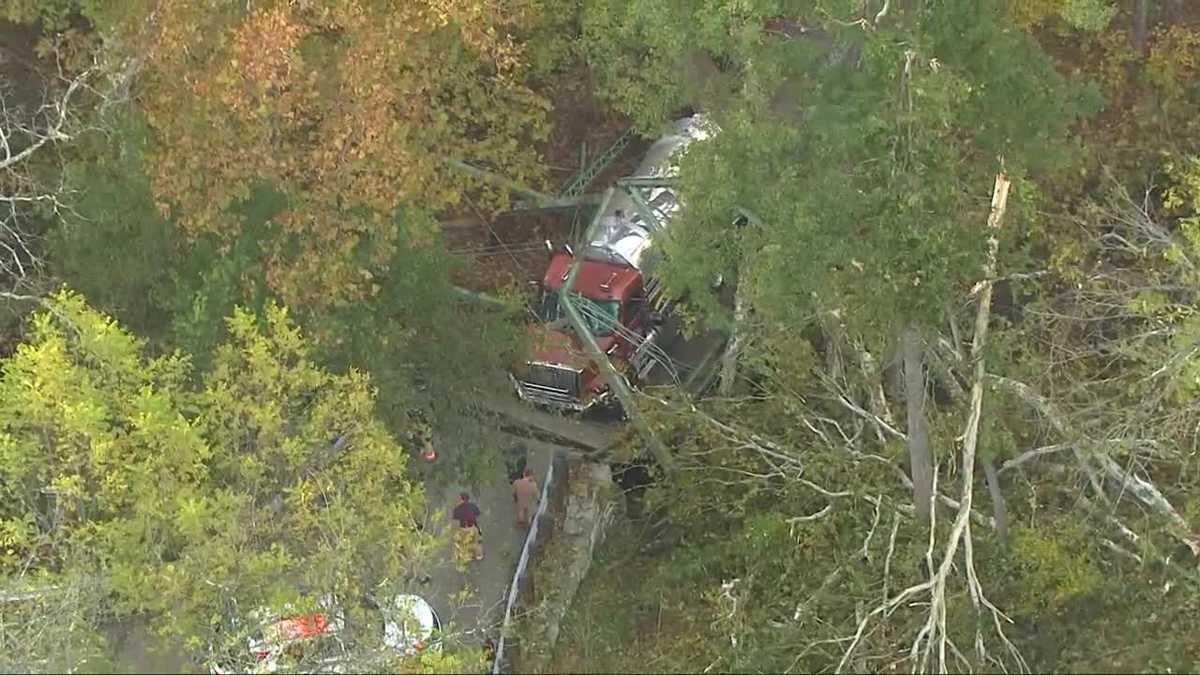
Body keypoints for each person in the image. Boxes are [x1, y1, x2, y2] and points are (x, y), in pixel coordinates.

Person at [452, 492, 484, 568]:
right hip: (472, 527)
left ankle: (461, 557)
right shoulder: (473, 506)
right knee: (478, 540)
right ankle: (479, 555)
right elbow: (477, 514)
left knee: (458, 542)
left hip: (463, 529)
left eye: (459, 499)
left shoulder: (457, 509)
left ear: (462, 499)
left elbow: (455, 519)